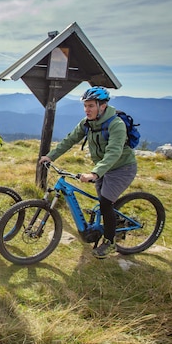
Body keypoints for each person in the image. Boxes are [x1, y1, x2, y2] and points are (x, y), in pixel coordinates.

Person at [38, 86, 137, 259]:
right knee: (104, 201)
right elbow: (69, 140)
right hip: (102, 168)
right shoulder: (86, 123)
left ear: (103, 105)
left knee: (105, 202)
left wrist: (95, 173)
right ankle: (112, 222)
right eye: (85, 106)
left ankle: (110, 242)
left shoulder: (116, 125)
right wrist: (50, 156)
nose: (87, 110)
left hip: (122, 168)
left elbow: (113, 153)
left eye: (91, 106)